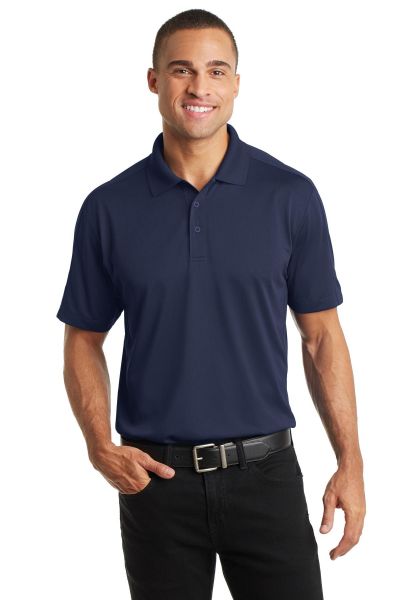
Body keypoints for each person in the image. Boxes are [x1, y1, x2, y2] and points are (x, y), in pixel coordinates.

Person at [56, 8, 366, 600]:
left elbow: (322, 337)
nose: (200, 87)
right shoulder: (108, 208)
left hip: (267, 476)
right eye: (182, 70)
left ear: (236, 84)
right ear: (154, 80)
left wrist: (350, 462)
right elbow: (83, 338)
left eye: (216, 71)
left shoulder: (290, 196)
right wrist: (98, 446)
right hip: (155, 482)